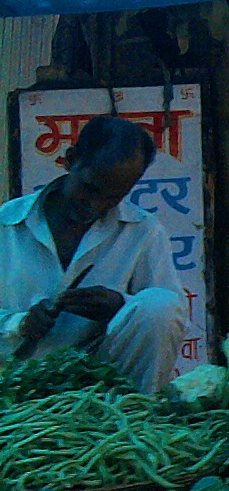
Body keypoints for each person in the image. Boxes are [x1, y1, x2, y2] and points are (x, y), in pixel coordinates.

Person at [0, 115, 185, 391]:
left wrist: (120, 306)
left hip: (103, 385)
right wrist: (21, 324)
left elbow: (169, 317)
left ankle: (139, 414)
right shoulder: (7, 225)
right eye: (89, 189)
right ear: (71, 160)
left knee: (161, 305)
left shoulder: (143, 232)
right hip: (16, 384)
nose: (95, 205)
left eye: (113, 198)